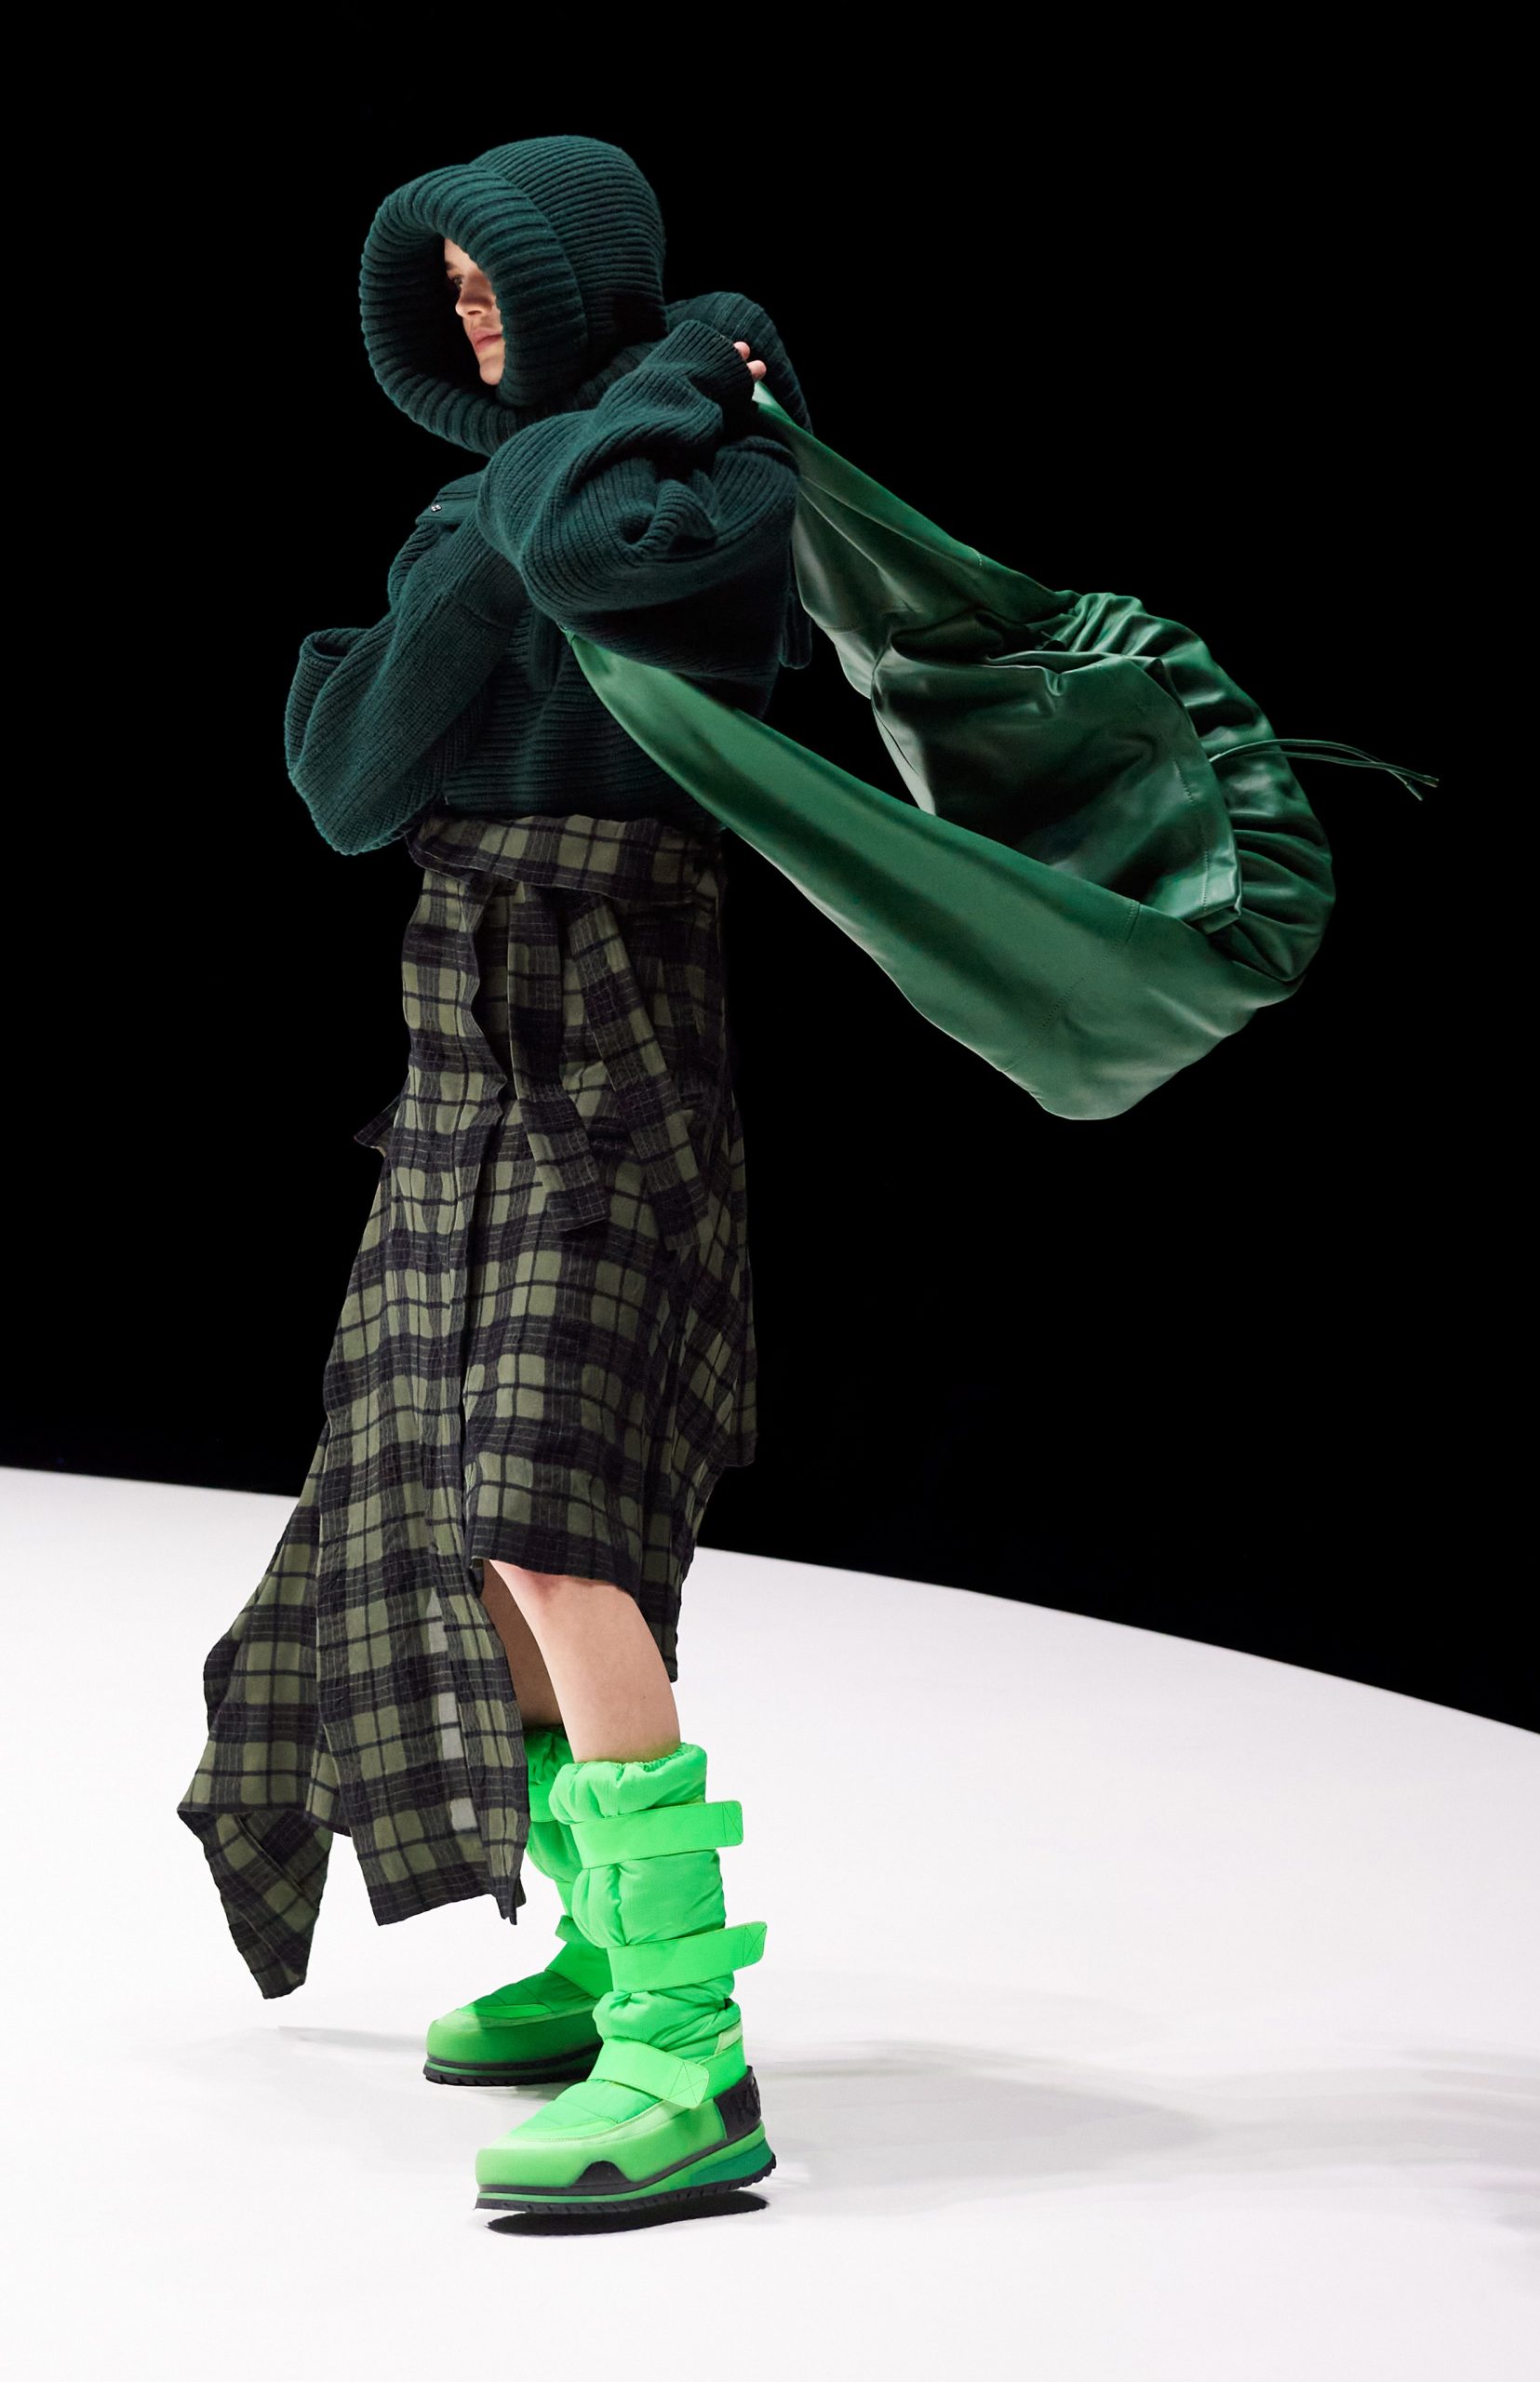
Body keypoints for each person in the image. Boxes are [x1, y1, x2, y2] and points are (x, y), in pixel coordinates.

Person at [178, 131, 815, 2215]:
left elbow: (600, 556)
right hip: (460, 1026)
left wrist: (662, 384)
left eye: (495, 283)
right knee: (459, 1525)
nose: (468, 322)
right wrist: (518, 483)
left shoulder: (715, 470)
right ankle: (606, 1950)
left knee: (552, 1515)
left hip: (621, 1032)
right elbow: (348, 783)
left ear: (578, 279)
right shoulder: (515, 488)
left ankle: (688, 2047)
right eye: (445, 291)